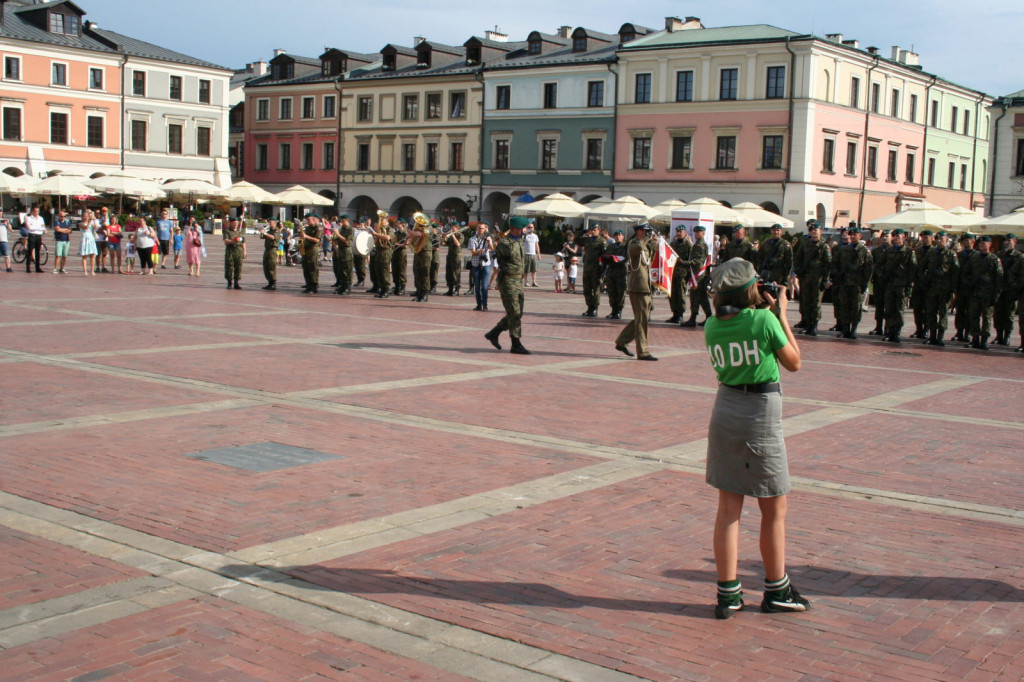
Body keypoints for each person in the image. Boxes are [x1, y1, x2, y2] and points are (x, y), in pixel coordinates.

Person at [703, 257, 807, 619]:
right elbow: (794, 362)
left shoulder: (712, 324)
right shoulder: (763, 319)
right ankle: (777, 588)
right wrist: (782, 314)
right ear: (751, 288)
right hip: (759, 412)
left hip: (725, 409)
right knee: (773, 507)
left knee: (729, 508)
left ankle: (728, 593)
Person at [484, 216, 531, 355]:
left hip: (518, 281)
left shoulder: (519, 241)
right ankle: (515, 344)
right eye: (523, 228)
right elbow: (508, 253)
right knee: (514, 313)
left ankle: (494, 333)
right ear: (515, 228)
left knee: (517, 313)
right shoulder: (505, 243)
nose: (525, 230)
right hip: (508, 281)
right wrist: (506, 236)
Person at [613, 222, 658, 360]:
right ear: (638, 231)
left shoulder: (646, 243)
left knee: (642, 317)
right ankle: (643, 351)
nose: (647, 234)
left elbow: (654, 251)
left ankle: (621, 341)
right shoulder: (633, 243)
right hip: (638, 286)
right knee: (642, 319)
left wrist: (656, 241)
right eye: (645, 231)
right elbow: (637, 248)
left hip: (646, 285)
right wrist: (646, 239)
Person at [961, 235, 1003, 350]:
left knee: (987, 317)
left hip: (988, 293)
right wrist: (968, 283)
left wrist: (996, 295)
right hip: (975, 293)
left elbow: (999, 279)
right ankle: (975, 338)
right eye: (980, 244)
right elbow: (965, 272)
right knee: (973, 316)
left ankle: (984, 340)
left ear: (989, 245)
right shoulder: (974, 258)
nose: (981, 245)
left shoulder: (994, 259)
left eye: (984, 243)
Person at [792, 221, 831, 336]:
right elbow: (798, 258)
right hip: (806, 278)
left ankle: (814, 325)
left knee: (816, 303)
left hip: (817, 279)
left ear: (821, 232)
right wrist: (799, 270)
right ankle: (807, 324)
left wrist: (826, 279)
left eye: (816, 230)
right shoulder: (805, 244)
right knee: (806, 302)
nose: (814, 232)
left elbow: (828, 264)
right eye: (812, 230)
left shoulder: (824, 246)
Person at [994, 233, 1023, 346]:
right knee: (998, 313)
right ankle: (999, 335)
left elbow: (1021, 275)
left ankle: (1007, 336)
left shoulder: (1019, 256)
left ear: (1015, 242)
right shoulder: (998, 254)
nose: (1006, 242)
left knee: (1009, 314)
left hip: (1011, 290)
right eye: (1005, 241)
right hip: (999, 289)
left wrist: (1016, 287)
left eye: (1009, 240)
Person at [682, 224, 713, 327]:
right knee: (702, 297)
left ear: (703, 233)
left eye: (698, 232)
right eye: (695, 232)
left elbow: (698, 262)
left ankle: (693, 318)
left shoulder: (700, 245)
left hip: (698, 276)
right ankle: (708, 316)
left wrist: (685, 262)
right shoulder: (698, 244)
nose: (696, 234)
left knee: (695, 297)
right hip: (697, 274)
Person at [665, 227, 692, 324]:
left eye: (680, 232)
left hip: (682, 273)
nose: (678, 233)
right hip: (672, 272)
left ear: (685, 233)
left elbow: (691, 259)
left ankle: (680, 314)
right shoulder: (673, 244)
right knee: (672, 294)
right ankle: (675, 314)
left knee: (681, 294)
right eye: (677, 231)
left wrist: (686, 267)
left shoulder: (688, 245)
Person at [580, 225, 606, 317]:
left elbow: (605, 256)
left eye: (595, 230)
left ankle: (595, 308)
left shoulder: (601, 241)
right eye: (592, 230)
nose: (593, 231)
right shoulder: (588, 239)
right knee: (586, 289)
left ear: (599, 230)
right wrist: (582, 232)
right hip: (587, 268)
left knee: (595, 289)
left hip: (596, 269)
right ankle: (589, 307)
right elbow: (577, 241)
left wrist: (603, 270)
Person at [467, 223, 492, 310]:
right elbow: (473, 252)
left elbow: (492, 249)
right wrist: (480, 252)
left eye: (482, 228)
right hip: (476, 264)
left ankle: (485, 305)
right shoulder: (472, 239)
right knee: (477, 286)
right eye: (479, 228)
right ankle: (479, 305)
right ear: (477, 229)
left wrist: (489, 242)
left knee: (485, 286)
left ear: (485, 229)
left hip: (486, 264)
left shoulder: (488, 238)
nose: (480, 230)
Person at [603, 230, 628, 319]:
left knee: (620, 292)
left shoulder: (625, 246)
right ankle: (613, 310)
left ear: (623, 237)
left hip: (621, 271)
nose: (618, 237)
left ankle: (619, 311)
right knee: (612, 292)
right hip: (611, 271)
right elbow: (606, 255)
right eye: (616, 235)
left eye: (620, 235)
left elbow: (626, 257)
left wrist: (617, 258)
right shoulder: (610, 246)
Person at [300, 215, 323, 294]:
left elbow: (317, 240)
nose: (308, 221)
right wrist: (301, 243)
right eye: (307, 220)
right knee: (306, 269)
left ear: (314, 220)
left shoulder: (318, 228)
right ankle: (308, 284)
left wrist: (306, 236)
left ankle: (314, 286)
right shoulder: (307, 228)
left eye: (309, 220)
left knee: (313, 268)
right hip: (306, 250)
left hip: (313, 250)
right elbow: (302, 238)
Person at [222, 216, 246, 289]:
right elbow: (225, 240)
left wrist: (244, 251)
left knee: (238, 267)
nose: (235, 224)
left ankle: (236, 282)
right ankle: (229, 282)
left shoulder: (240, 231)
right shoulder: (227, 231)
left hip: (239, 250)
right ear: (231, 223)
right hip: (230, 251)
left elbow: (243, 242)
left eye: (237, 223)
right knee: (229, 266)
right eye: (234, 223)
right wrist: (232, 241)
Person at [23, 205, 46, 273]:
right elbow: (30, 228)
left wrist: (37, 227)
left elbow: (43, 227)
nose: (37, 212)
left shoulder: (41, 218)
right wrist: (38, 228)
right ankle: (28, 267)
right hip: (32, 235)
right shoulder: (29, 218)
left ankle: (37, 267)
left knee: (37, 252)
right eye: (35, 211)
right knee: (30, 251)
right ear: (32, 211)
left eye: (38, 211)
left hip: (39, 236)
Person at [259, 219, 281, 290]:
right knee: (266, 265)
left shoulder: (276, 230)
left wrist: (265, 233)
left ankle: (273, 282)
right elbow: (262, 237)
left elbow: (273, 237)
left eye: (270, 222)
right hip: (267, 249)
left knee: (271, 265)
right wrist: (262, 232)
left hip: (273, 249)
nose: (269, 223)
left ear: (274, 223)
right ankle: (269, 282)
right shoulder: (269, 230)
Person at [443, 225, 463, 296]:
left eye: (453, 228)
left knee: (456, 273)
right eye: (451, 227)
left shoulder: (460, 235)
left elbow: (458, 244)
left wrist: (453, 235)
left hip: (456, 256)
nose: (451, 229)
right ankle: (450, 289)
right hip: (450, 256)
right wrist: (443, 238)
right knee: (449, 273)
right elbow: (444, 244)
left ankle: (457, 290)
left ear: (457, 228)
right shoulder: (451, 236)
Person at [52, 209, 73, 274]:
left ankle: (62, 268)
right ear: (59, 216)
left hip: (66, 240)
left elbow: (70, 231)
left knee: (64, 255)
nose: (63, 217)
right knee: (58, 255)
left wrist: (63, 230)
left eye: (64, 216)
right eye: (61, 216)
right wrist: (65, 230)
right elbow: (57, 229)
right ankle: (55, 268)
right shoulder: (57, 222)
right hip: (59, 240)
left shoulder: (67, 222)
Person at [78, 209, 98, 275]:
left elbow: (96, 227)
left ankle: (92, 270)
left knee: (92, 255)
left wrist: (94, 219)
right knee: (84, 256)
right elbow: (86, 227)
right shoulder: (80, 224)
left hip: (91, 239)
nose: (86, 217)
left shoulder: (91, 222)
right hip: (84, 239)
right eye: (84, 216)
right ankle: (85, 270)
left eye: (87, 216)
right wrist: (91, 221)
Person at [94, 207, 110, 272]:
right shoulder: (96, 220)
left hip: (105, 240)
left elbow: (108, 227)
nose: (103, 212)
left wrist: (105, 232)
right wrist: (102, 231)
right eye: (102, 211)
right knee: (98, 254)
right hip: (98, 239)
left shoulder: (107, 219)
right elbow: (96, 230)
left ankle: (104, 267)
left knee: (105, 254)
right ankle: (97, 267)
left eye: (105, 211)